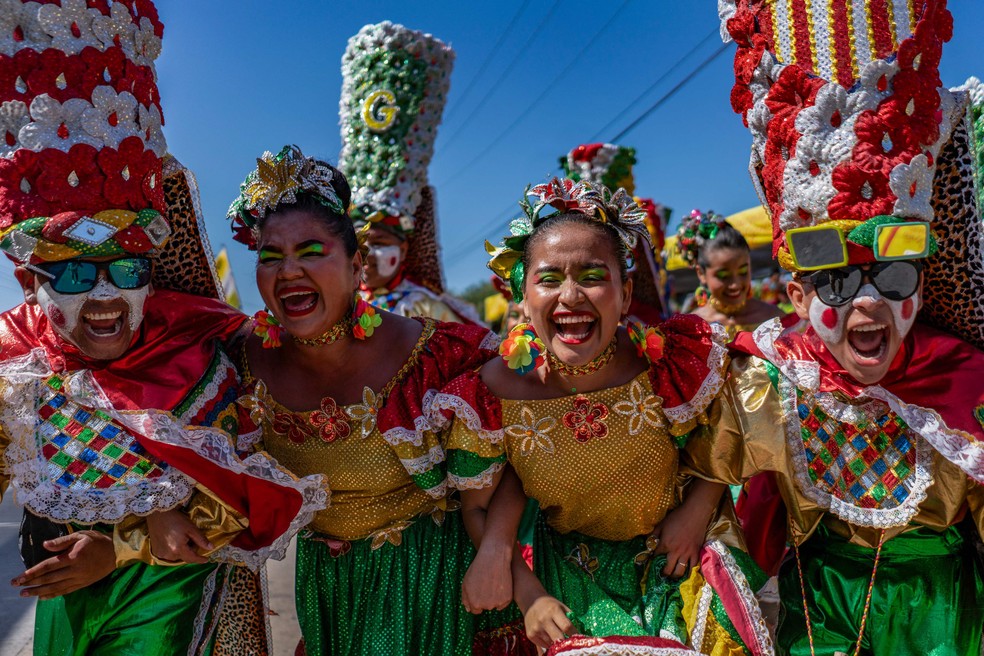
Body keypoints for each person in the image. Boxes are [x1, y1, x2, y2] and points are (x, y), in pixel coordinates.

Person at [0, 2, 324, 653]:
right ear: (31, 281)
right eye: (70, 274)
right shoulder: (20, 363)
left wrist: (123, 545)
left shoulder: (198, 364)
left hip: (172, 608)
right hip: (65, 615)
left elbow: (237, 504)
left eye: (124, 268)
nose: (102, 296)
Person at [688, 1, 984, 653]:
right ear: (796, 293)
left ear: (923, 284)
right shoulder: (777, 376)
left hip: (942, 621)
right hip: (818, 618)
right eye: (838, 283)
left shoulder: (966, 377)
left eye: (893, 276)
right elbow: (741, 517)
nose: (869, 305)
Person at [429, 177, 774, 655]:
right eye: (549, 279)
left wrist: (696, 514)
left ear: (627, 294)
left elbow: (726, 441)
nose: (571, 296)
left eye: (592, 276)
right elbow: (481, 504)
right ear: (523, 299)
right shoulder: (490, 392)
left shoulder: (668, 364)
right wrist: (529, 595)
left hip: (679, 563)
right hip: (568, 579)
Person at [225, 144, 530, 655]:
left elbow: (526, 442)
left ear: (356, 264)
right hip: (328, 590)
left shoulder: (437, 356)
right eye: (270, 257)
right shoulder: (239, 363)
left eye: (311, 251)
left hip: (435, 584)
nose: (287, 271)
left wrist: (497, 551)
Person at [339, 22, 478, 324]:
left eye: (377, 244)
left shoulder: (424, 308)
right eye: (359, 245)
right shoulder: (334, 305)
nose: (367, 257)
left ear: (403, 249)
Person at [676, 210, 783, 341]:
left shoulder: (775, 319)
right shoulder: (691, 330)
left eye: (743, 272)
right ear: (701, 273)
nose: (735, 284)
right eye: (723, 275)